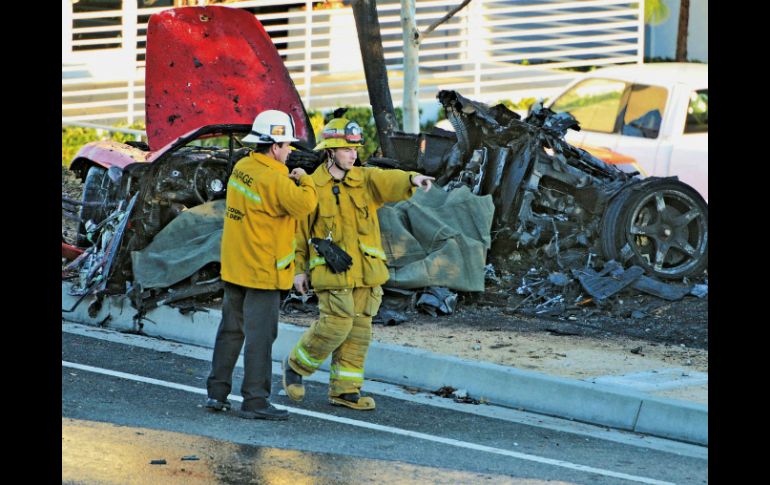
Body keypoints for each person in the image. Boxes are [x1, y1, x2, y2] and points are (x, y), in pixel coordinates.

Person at [282, 116, 434, 410]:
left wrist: (412, 178)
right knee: (336, 326)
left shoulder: (364, 179)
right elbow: (299, 233)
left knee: (358, 332)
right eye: (346, 150)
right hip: (332, 273)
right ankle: (296, 367)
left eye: (355, 150)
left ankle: (345, 390)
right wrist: (299, 270)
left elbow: (388, 180)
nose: (353, 155)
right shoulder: (312, 186)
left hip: (366, 273)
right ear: (330, 151)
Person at [206, 109, 318, 420]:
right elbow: (306, 206)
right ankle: (255, 401)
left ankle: (217, 393)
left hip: (236, 267)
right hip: (263, 273)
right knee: (260, 339)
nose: (290, 151)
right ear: (273, 146)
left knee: (230, 331)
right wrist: (305, 180)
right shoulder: (276, 178)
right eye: (287, 146)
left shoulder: (243, 167)